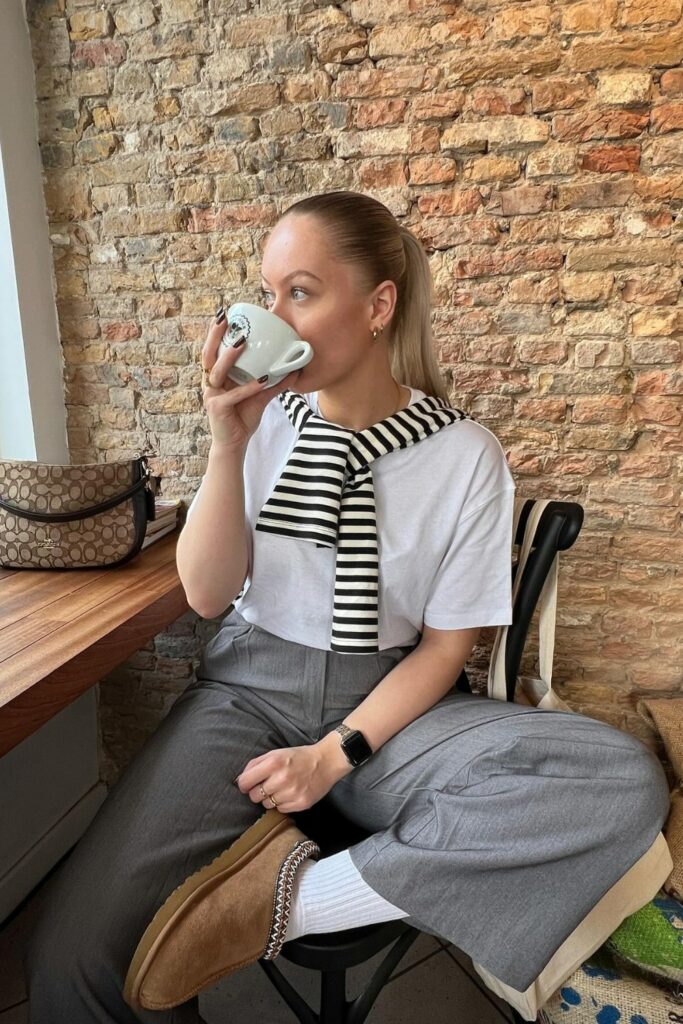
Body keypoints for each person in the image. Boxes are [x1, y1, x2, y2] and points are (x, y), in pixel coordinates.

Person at [26, 192, 670, 1023]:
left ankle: (279, 903)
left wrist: (334, 754)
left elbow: (445, 650)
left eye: (301, 290)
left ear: (377, 306)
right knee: (77, 957)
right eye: (269, 292)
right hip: (246, 692)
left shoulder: (464, 454)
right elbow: (207, 594)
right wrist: (226, 442)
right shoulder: (263, 425)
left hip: (391, 705)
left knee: (615, 780)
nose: (273, 315)